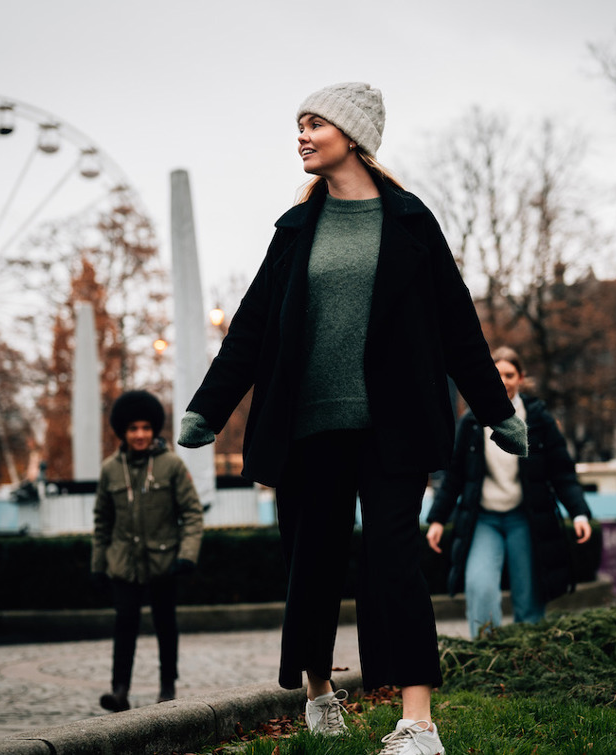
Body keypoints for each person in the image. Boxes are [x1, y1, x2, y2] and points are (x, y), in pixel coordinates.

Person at [176, 82, 527, 755]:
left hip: (391, 425)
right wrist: (208, 408)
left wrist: (497, 410)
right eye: (299, 126)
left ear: (353, 135)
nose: (302, 136)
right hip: (307, 428)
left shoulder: (409, 222)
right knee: (313, 561)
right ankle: (319, 695)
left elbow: (457, 326)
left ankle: (419, 722)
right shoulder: (294, 229)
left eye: (314, 124)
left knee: (395, 559)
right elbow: (250, 331)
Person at [425, 347, 593, 639]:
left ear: (521, 378)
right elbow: (454, 476)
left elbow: (562, 471)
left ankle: (528, 654)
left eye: (509, 374)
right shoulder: (473, 420)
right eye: (497, 374)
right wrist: (437, 519)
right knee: (480, 585)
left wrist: (579, 512)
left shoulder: (538, 418)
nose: (502, 380)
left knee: (529, 591)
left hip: (523, 519)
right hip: (485, 520)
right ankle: (486, 652)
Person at [91, 390, 204, 712]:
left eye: (145, 427)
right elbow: (102, 521)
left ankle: (167, 687)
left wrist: (187, 555)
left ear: (154, 429)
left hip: (164, 562)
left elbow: (192, 513)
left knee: (165, 625)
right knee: (124, 624)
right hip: (123, 564)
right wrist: (99, 565)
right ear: (123, 432)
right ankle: (119, 690)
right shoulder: (110, 470)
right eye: (132, 429)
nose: (139, 435)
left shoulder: (170, 466)